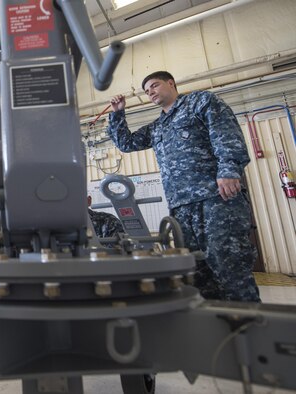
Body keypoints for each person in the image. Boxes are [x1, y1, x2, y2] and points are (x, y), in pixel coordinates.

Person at [106, 71, 260, 302]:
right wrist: (118, 114)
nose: (151, 93)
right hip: (180, 207)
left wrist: (229, 170)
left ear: (171, 83)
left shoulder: (201, 102)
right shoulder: (158, 126)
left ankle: (248, 328)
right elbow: (127, 143)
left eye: (155, 86)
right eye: (147, 91)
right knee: (196, 273)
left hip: (215, 198)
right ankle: (213, 327)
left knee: (229, 267)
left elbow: (226, 134)